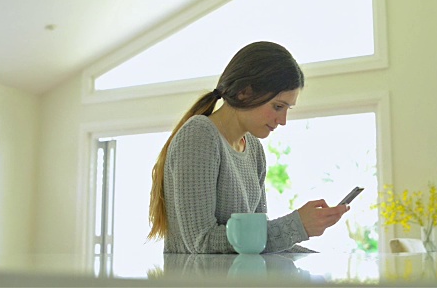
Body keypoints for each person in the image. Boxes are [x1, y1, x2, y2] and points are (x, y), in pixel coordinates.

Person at [147, 41, 349, 253]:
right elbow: (202, 242)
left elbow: (257, 244)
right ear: (245, 92)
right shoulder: (200, 135)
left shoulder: (254, 149)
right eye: (278, 106)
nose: (283, 120)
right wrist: (298, 226)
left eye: (287, 108)